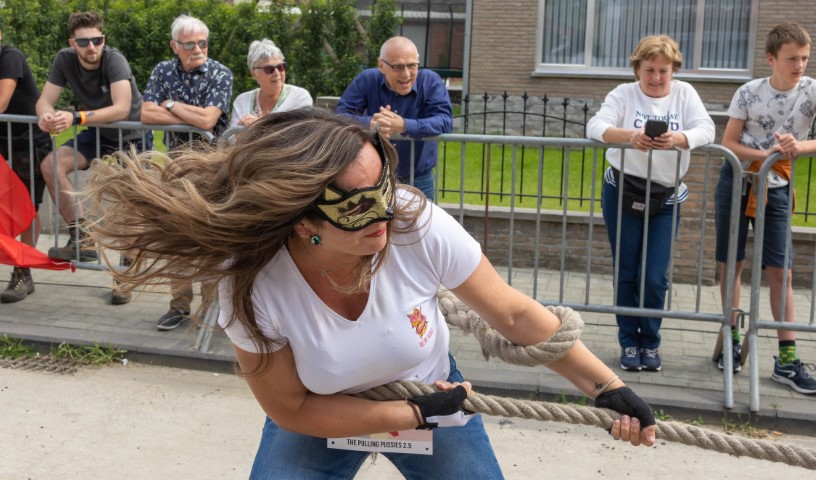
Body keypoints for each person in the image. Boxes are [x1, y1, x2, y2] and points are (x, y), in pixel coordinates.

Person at [85, 107, 656, 478]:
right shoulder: (249, 283)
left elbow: (514, 315)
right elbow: (290, 407)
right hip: (323, 407)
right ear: (301, 218)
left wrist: (607, 387)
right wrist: (408, 413)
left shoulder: (413, 222)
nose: (384, 215)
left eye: (383, 186)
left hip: (429, 387)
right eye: (357, 206)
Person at [587, 35, 715, 373]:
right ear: (637, 69)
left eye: (664, 70)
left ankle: (651, 342)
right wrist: (630, 137)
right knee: (627, 271)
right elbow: (596, 126)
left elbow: (707, 129)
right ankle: (629, 342)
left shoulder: (685, 93)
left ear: (673, 70)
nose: (656, 78)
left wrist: (678, 138)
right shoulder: (623, 94)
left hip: (666, 196)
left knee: (655, 276)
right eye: (649, 70)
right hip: (623, 190)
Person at [714, 23, 816, 394]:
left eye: (804, 58)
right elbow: (728, 142)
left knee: (781, 271)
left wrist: (800, 147)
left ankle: (786, 359)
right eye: (791, 59)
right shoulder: (748, 92)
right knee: (733, 263)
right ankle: (731, 339)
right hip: (738, 180)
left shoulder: (812, 90)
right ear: (771, 58)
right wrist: (764, 155)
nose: (799, 65)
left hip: (779, 185)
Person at [35, 11, 151, 305]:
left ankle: (125, 276)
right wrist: (45, 116)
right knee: (51, 165)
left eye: (97, 40)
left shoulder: (114, 60)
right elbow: (44, 100)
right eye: (84, 41)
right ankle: (82, 240)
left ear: (103, 39)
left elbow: (122, 108)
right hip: (98, 133)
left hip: (132, 136)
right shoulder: (64, 59)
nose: (91, 47)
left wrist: (76, 117)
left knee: (131, 206)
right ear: (72, 43)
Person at [141, 14, 233, 331]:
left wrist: (169, 105)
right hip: (175, 167)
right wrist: (188, 115)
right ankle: (178, 305)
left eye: (202, 43)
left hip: (212, 168)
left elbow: (208, 121)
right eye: (190, 44)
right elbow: (145, 113)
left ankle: (210, 309)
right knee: (177, 237)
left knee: (209, 240)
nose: (197, 50)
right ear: (174, 46)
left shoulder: (220, 73)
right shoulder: (162, 71)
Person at [336, 36, 451, 201]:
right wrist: (370, 123)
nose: (406, 74)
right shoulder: (367, 79)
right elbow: (340, 115)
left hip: (418, 177)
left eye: (412, 65)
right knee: (376, 217)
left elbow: (445, 121)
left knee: (423, 218)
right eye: (398, 67)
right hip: (375, 174)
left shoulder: (430, 81)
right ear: (381, 65)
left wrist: (404, 125)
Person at [0, 30, 51, 303]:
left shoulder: (10, 56)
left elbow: (1, 103)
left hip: (29, 142)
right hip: (5, 140)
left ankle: (23, 270)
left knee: (27, 207)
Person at [229, 39, 311, 129]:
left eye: (280, 67)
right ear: (253, 73)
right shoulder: (241, 101)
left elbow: (299, 134)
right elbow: (232, 136)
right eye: (269, 69)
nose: (277, 73)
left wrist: (257, 126)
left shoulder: (299, 97)